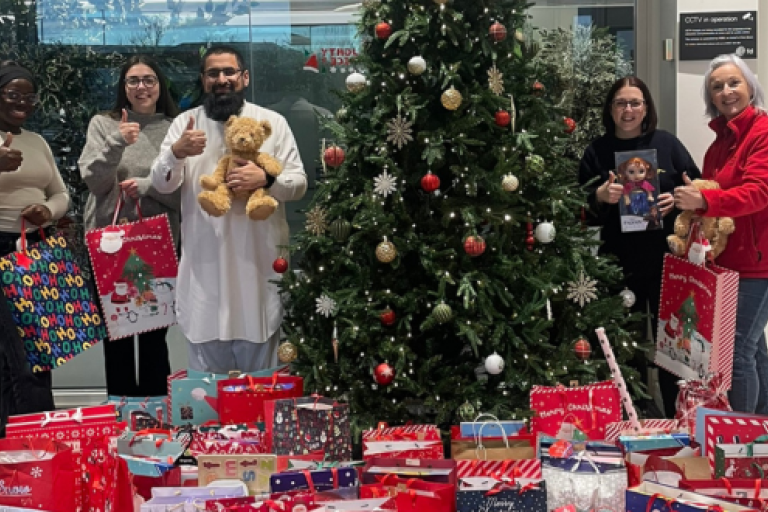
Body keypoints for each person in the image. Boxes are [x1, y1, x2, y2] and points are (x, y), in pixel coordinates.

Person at [150, 45, 307, 373]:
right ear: (203, 80)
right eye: (213, 73)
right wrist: (176, 153)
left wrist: (266, 180)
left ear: (244, 77)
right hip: (205, 272)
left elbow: (298, 184)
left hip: (258, 268)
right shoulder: (185, 124)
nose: (221, 79)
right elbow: (161, 184)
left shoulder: (272, 123)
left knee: (261, 387)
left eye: (229, 72)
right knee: (206, 393)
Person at [579, 76, 701, 418]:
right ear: (610, 109)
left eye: (635, 103)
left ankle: (678, 418)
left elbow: (698, 188)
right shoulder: (597, 151)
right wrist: (599, 196)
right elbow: (579, 208)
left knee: (673, 346)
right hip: (618, 263)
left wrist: (675, 198)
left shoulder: (667, 143)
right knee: (624, 344)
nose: (628, 110)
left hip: (668, 262)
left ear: (646, 108)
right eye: (621, 103)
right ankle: (629, 417)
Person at [79, 55, 180, 397]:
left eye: (149, 79)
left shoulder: (174, 128)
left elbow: (185, 196)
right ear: (123, 87)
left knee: (154, 340)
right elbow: (94, 182)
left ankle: (155, 415)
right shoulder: (103, 124)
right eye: (133, 80)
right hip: (109, 247)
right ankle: (121, 415)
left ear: (160, 85)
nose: (141, 87)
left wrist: (148, 186)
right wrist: (117, 142)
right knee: (117, 339)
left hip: (158, 246)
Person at [674, 54, 768, 414]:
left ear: (750, 87)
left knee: (737, 353)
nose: (726, 91)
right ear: (710, 97)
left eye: (733, 83)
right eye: (717, 87)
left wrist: (704, 200)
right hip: (728, 262)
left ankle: (737, 435)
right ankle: (760, 428)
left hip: (758, 263)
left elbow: (759, 192)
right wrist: (696, 196)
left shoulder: (762, 132)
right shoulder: (719, 143)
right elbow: (715, 195)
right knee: (753, 350)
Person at [0, 60, 68, 432]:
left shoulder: (37, 141)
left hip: (37, 246)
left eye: (29, 97)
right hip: (1, 247)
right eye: (14, 94)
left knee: (40, 351)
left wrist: (48, 210)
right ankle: (36, 439)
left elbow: (61, 193)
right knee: (20, 354)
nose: (22, 103)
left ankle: (30, 438)